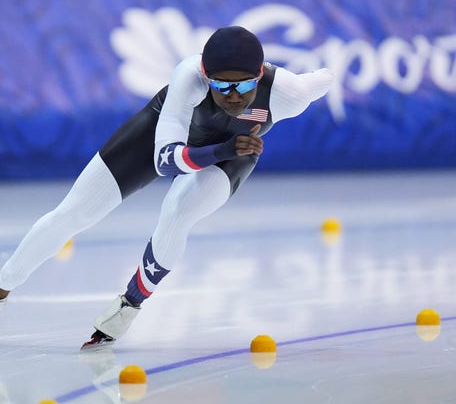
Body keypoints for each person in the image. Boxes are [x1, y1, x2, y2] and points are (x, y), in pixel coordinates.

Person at [0, 26, 333, 348]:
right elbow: (166, 162)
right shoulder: (188, 78)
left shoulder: (289, 93)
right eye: (221, 85)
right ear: (205, 76)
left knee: (178, 211)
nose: (233, 97)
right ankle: (3, 285)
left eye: (244, 87)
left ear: (260, 76)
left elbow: (323, 79)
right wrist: (225, 148)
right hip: (178, 141)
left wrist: (327, 70)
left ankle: (127, 307)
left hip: (232, 156)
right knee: (73, 213)